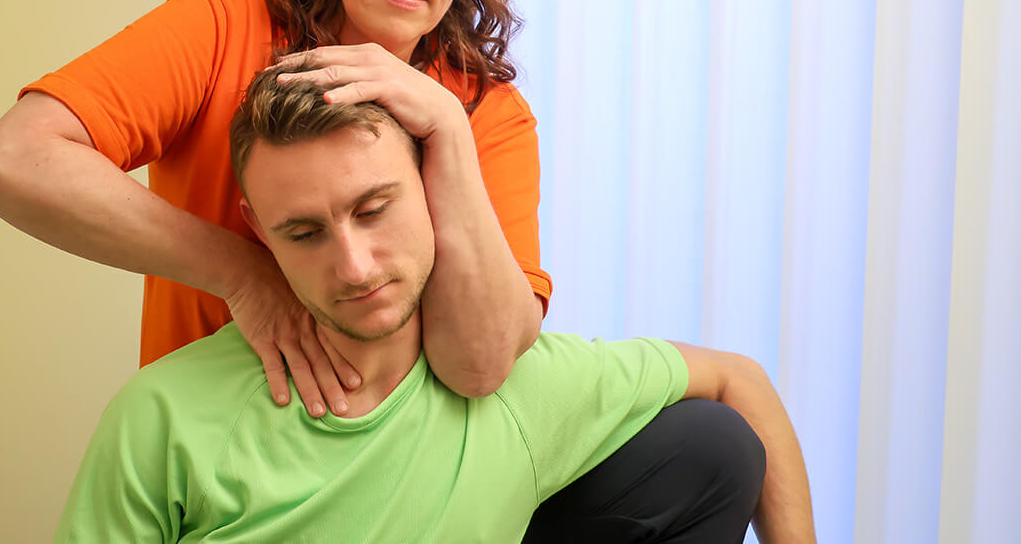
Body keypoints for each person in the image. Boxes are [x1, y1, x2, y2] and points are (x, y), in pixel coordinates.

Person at [0, 0, 762, 536]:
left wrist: (446, 126)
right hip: (245, 456)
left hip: (423, 471)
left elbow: (482, 362)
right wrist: (248, 277)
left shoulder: (484, 112)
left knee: (708, 446)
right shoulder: (226, 27)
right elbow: (13, 161)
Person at [52, 67, 815, 542]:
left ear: (430, 188)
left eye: (374, 208)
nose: (352, 265)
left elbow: (738, 383)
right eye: (304, 232)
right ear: (258, 231)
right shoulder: (162, 418)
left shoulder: (519, 392)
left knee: (714, 446)